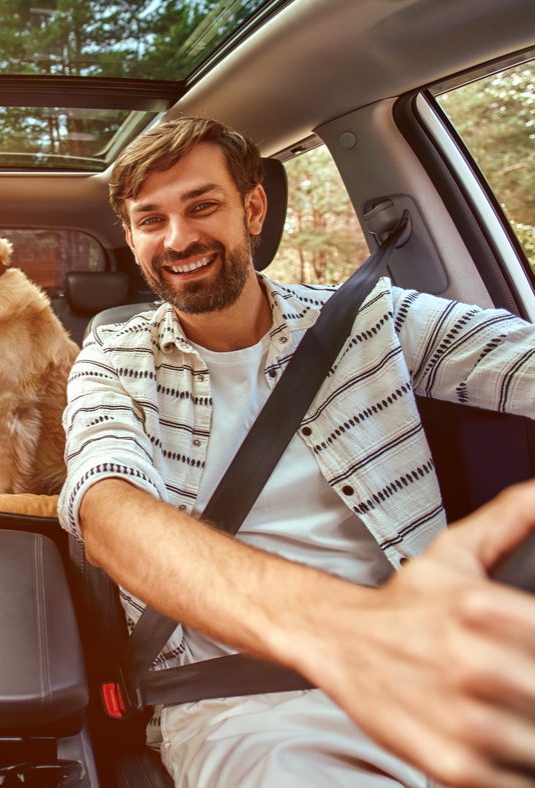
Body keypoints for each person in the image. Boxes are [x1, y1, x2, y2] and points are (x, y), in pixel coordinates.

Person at [59, 116, 535, 787]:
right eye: (151, 220)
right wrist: (359, 631)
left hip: (436, 661)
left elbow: (517, 356)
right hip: (240, 702)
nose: (179, 239)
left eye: (202, 206)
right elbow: (107, 507)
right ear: (132, 239)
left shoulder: (370, 318)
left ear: (253, 209)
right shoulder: (114, 357)